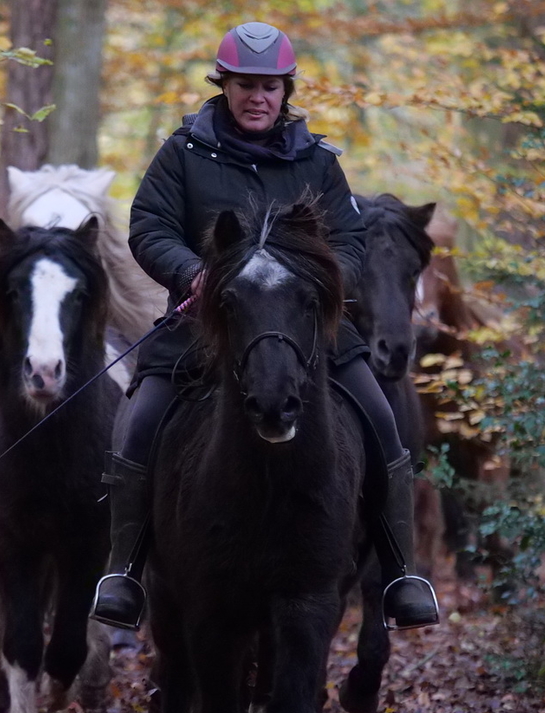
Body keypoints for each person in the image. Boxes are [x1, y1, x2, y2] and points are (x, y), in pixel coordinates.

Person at [89, 21, 439, 632]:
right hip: (202, 329)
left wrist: (323, 285)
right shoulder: (182, 155)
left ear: (286, 90)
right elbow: (148, 226)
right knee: (138, 425)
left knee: (384, 422)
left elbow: (351, 241)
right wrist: (193, 272)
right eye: (246, 84)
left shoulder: (319, 162)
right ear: (224, 85)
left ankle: (402, 573)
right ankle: (125, 571)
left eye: (270, 86)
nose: (259, 97)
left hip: (309, 332)